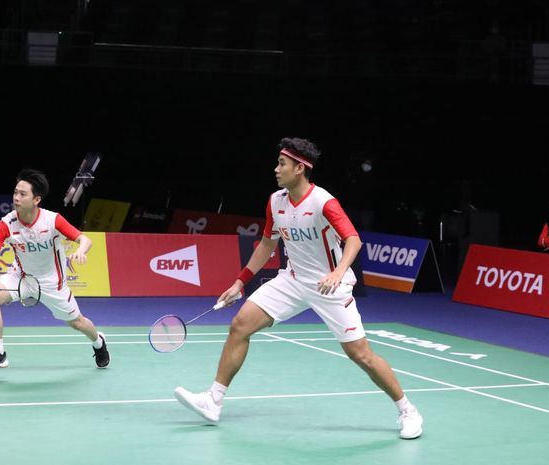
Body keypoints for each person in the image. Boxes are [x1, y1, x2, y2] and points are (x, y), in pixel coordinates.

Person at [174, 138, 424, 439]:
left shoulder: (323, 202)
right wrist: (241, 280)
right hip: (292, 280)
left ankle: (408, 411)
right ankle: (213, 400)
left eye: (282, 164)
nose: (276, 169)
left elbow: (353, 240)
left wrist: (338, 272)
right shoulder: (276, 201)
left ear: (300, 168)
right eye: (278, 163)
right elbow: (267, 243)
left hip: (330, 286)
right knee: (240, 325)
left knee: (361, 355)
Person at [0, 169, 110, 369]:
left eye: (22, 194)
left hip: (52, 283)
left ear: (36, 199)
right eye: (15, 192)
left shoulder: (52, 220)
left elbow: (84, 239)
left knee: (77, 323)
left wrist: (81, 250)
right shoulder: (6, 224)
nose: (16, 198)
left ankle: (98, 342)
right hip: (22, 276)